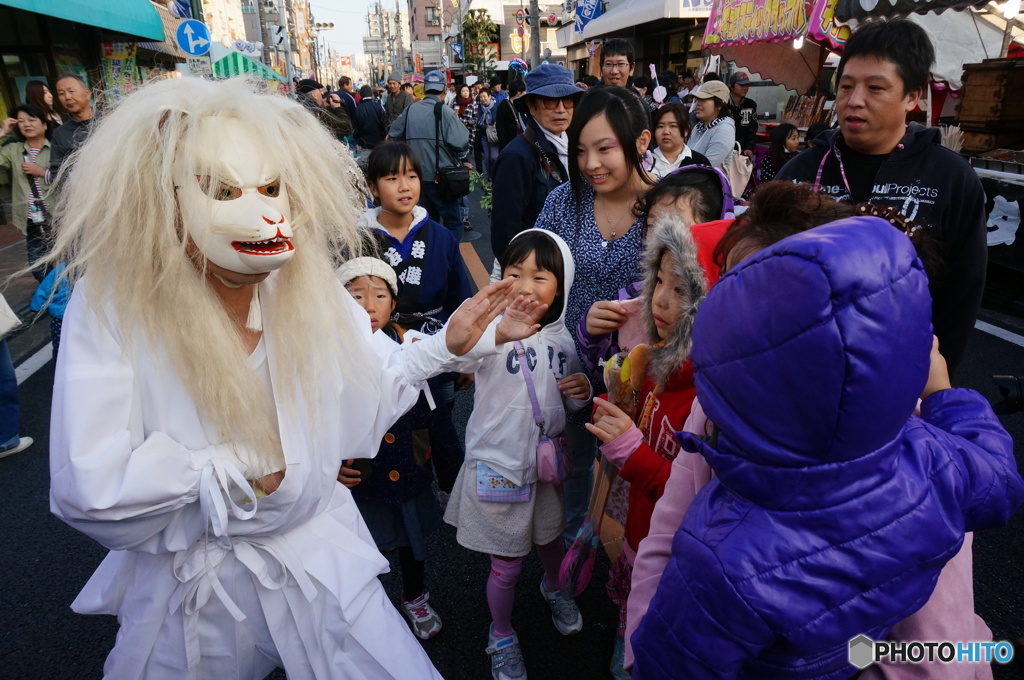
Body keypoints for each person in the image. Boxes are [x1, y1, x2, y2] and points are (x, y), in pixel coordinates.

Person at [45, 75, 548, 679]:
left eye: (271, 186)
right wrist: (232, 473)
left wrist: (445, 346)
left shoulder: (301, 283)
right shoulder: (115, 303)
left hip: (316, 554)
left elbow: (368, 378)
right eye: (221, 189)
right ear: (163, 196)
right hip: (195, 590)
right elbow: (89, 481)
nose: (259, 209)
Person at [625, 182, 1003, 680]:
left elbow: (940, 653)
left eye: (774, 313)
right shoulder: (721, 405)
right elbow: (665, 534)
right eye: (730, 295)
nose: (743, 329)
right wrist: (947, 398)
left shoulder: (911, 438)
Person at [776, 17, 987, 374]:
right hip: (801, 369)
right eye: (845, 86)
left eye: (875, 88)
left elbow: (960, 297)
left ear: (912, 96)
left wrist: (933, 379)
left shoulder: (950, 178)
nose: (854, 101)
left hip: (901, 374)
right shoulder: (799, 172)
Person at [442, 228, 592, 680]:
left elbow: (568, 402)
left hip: (545, 470)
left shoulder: (565, 341)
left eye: (540, 276)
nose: (525, 286)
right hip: (498, 467)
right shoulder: (489, 333)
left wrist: (582, 393)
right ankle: (501, 634)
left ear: (561, 287)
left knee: (549, 542)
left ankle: (553, 587)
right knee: (505, 565)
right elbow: (455, 356)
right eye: (514, 273)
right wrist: (485, 332)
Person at [585, 212, 725, 679]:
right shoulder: (655, 361)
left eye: (682, 290)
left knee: (660, 634)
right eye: (658, 281)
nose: (659, 301)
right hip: (637, 531)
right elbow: (636, 422)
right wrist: (612, 399)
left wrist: (629, 450)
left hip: (676, 555)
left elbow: (695, 500)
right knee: (630, 614)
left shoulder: (713, 399)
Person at [535, 86, 654, 542]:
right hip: (570, 367)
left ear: (640, 142)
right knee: (575, 465)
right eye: (581, 150)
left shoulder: (666, 206)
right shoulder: (565, 202)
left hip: (641, 378)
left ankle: (631, 568)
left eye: (605, 148)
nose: (590, 164)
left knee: (639, 474)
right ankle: (572, 554)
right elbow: (537, 270)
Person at [336, 256, 447, 641]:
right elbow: (317, 421)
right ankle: (370, 608)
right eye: (355, 296)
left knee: (413, 544)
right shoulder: (330, 356)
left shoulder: (410, 346)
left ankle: (415, 596)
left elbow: (436, 416)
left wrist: (451, 473)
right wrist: (329, 467)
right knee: (364, 546)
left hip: (411, 466)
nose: (368, 305)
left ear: (393, 303)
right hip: (362, 480)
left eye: (379, 295)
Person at [577, 165, 734, 375]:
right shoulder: (633, 299)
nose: (660, 237)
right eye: (652, 225)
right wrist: (592, 334)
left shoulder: (727, 316)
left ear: (714, 229)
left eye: (673, 227)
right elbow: (612, 372)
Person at [491, 64, 583, 270]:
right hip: (535, 271)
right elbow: (505, 233)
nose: (561, 109)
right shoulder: (516, 156)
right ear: (532, 107)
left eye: (567, 100)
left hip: (566, 264)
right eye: (550, 101)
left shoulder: (579, 146)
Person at [388, 70, 470, 241]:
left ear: (424, 89)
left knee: (426, 222)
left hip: (415, 179)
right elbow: (461, 142)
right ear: (444, 90)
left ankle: (431, 257)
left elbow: (393, 134)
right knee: (453, 222)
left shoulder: (410, 110)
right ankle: (449, 256)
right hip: (442, 179)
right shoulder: (445, 112)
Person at [0, 105, 52, 279]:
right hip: (32, 220)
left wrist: (42, 172)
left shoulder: (55, 148)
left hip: (58, 215)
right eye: (21, 121)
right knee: (39, 267)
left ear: (44, 124)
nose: (26, 124)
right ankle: (53, 299)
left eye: (31, 120)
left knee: (67, 262)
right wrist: (3, 132)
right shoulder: (14, 150)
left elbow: (68, 177)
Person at [48, 74, 94, 184]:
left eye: (71, 91)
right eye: (61, 94)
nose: (67, 97)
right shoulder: (60, 133)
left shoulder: (109, 121)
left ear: (87, 93)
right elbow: (57, 171)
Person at [645, 103, 711, 178]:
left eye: (673, 126)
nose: (666, 131)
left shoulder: (700, 163)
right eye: (660, 126)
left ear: (686, 130)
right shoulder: (645, 161)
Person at [687, 80, 736, 168]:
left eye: (703, 100)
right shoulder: (698, 127)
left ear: (719, 105)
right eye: (697, 99)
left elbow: (708, 166)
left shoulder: (724, 129)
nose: (697, 103)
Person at [30, 261, 70, 357]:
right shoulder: (95, 271)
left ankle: (59, 366)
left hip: (60, 317)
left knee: (60, 346)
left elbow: (44, 289)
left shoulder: (60, 269)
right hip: (81, 316)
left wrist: (36, 307)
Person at [296, 78, 353, 142]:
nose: (322, 95)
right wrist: (337, 107)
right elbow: (346, 128)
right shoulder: (317, 112)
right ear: (314, 95)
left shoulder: (297, 110)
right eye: (320, 92)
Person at [727, 72, 758, 155]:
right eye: (741, 85)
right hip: (725, 150)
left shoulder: (751, 104)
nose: (745, 88)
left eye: (747, 85)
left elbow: (753, 128)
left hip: (744, 151)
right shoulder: (723, 104)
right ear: (732, 86)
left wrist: (749, 147)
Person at [353, 84, 386, 152]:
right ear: (371, 94)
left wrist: (359, 141)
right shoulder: (378, 105)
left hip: (365, 145)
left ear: (361, 95)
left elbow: (356, 127)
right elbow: (384, 122)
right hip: (379, 143)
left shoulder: (358, 109)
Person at [495, 78, 526, 151]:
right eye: (523, 91)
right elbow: (500, 128)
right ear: (518, 92)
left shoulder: (524, 104)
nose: (525, 93)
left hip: (521, 142)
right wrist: (506, 146)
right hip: (509, 144)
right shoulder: (503, 105)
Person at [475, 88, 499, 180]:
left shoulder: (496, 107)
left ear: (489, 96)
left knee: (494, 157)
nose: (482, 99)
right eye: (481, 97)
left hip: (493, 136)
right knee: (487, 158)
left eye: (484, 96)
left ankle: (495, 176)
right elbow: (477, 121)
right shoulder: (478, 108)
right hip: (484, 136)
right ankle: (490, 178)